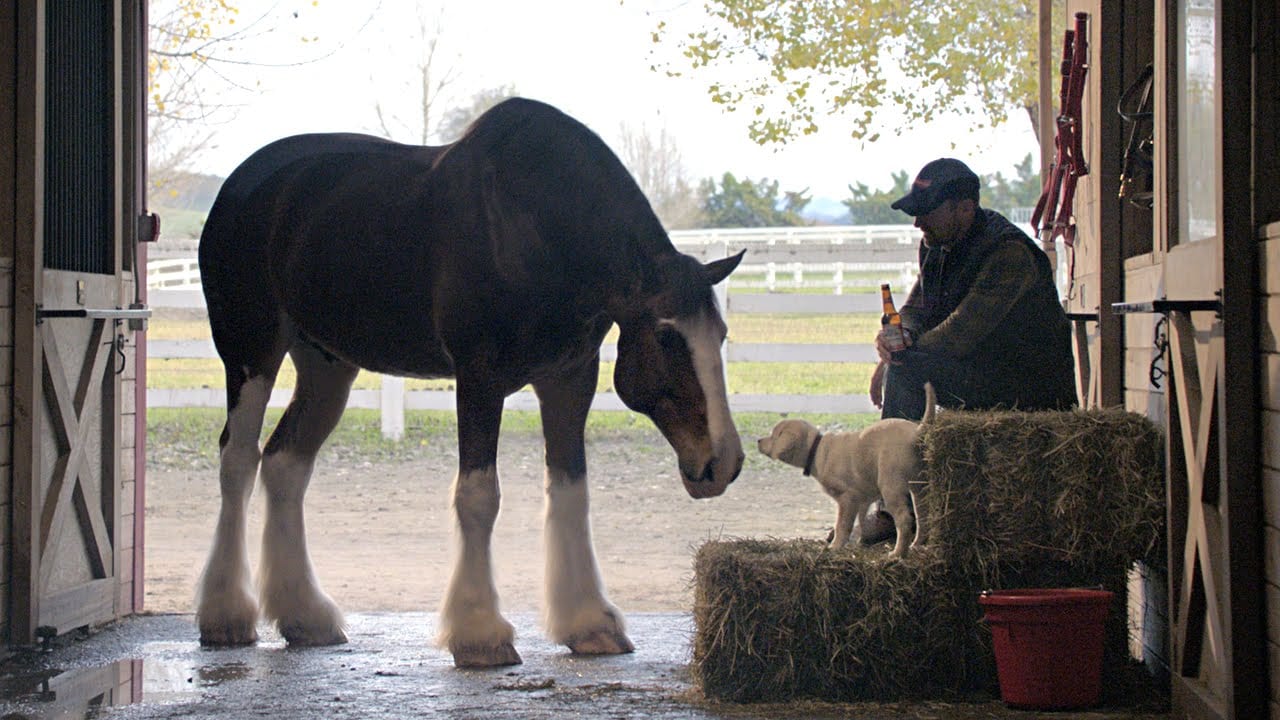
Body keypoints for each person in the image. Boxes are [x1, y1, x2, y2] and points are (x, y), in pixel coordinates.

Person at [860, 157, 1077, 543]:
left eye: (927, 213)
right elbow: (914, 309)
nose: (917, 223)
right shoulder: (939, 243)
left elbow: (961, 333)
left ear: (965, 208)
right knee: (904, 366)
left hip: (1024, 387)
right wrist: (895, 339)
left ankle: (895, 513)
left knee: (908, 371)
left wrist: (901, 354)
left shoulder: (1008, 254)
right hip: (982, 373)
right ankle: (895, 507)